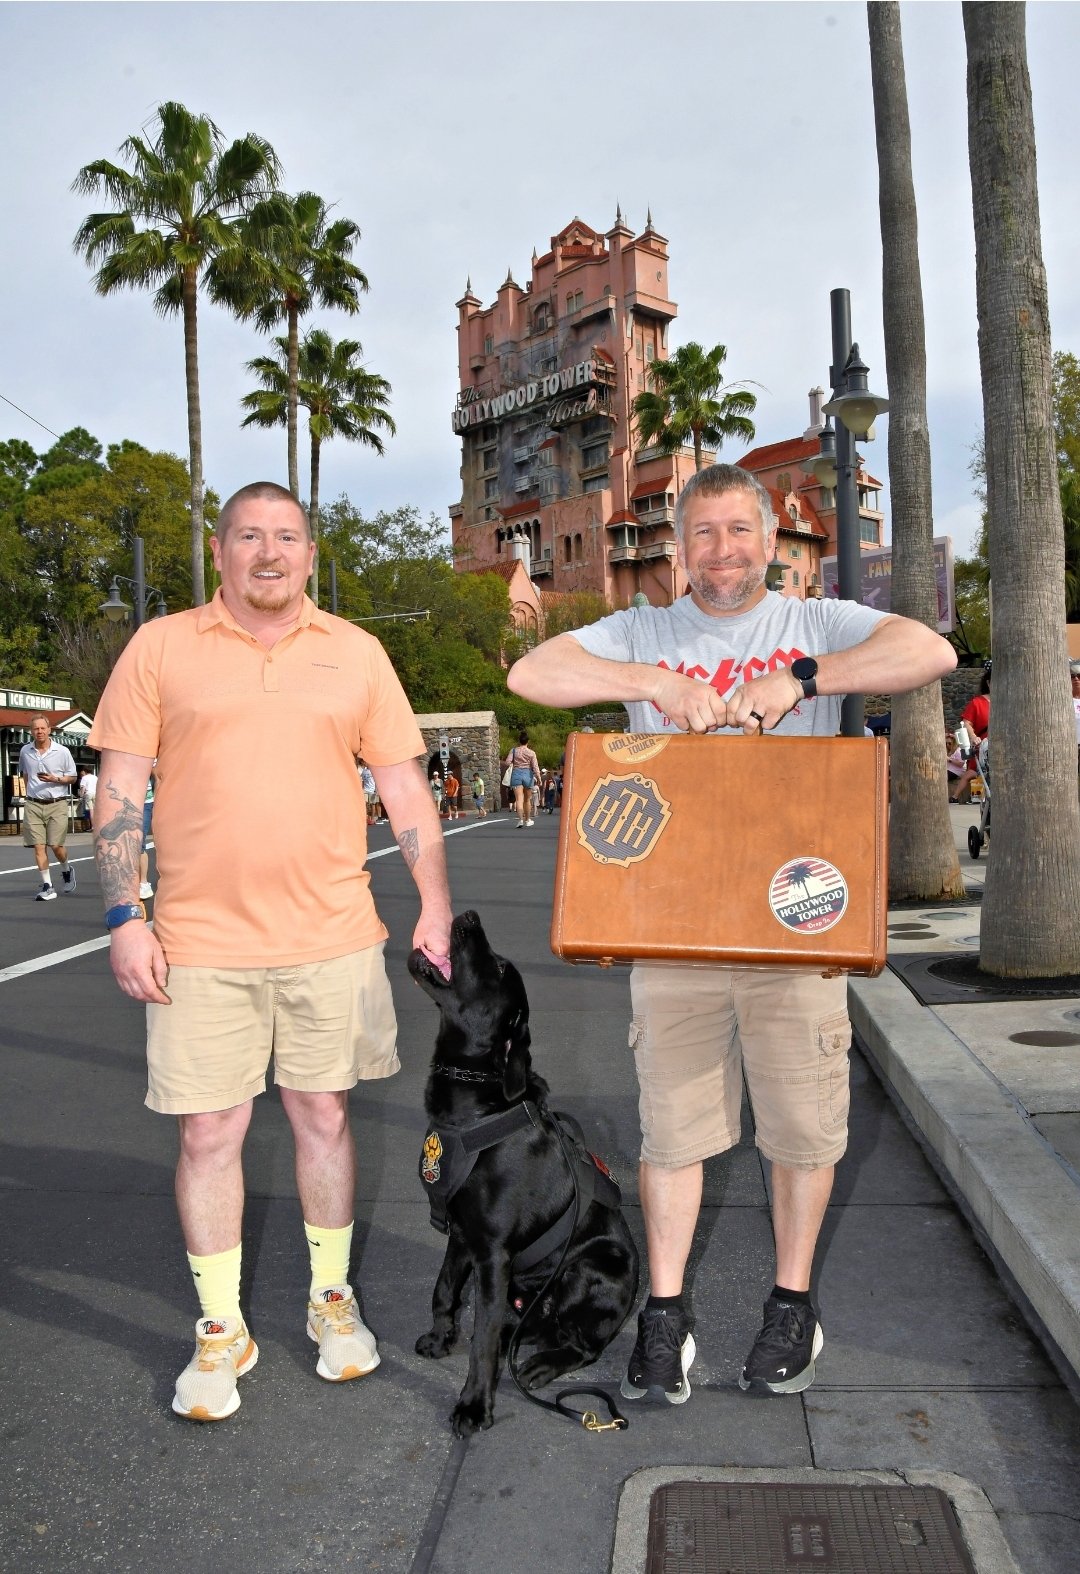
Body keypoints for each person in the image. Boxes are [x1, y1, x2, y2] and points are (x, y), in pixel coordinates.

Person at [508, 462, 956, 1406]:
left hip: (797, 919)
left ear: (770, 542)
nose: (722, 550)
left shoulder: (814, 620)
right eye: (702, 533)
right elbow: (531, 673)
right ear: (678, 547)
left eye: (739, 531)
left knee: (802, 1129)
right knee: (672, 1134)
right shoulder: (643, 630)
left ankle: (791, 1304)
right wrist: (652, 683)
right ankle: (665, 1315)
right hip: (674, 925)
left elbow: (928, 651)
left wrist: (801, 679)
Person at [88, 481, 452, 1424]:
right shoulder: (160, 647)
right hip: (199, 941)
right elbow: (120, 787)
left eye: (286, 536)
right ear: (220, 551)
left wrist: (435, 905)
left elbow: (404, 788)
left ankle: (332, 1299)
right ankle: (222, 1327)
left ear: (310, 554)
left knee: (324, 1117)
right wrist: (124, 914)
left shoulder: (357, 653)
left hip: (331, 935)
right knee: (208, 1132)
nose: (269, 552)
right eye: (249, 535)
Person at [18, 715, 78, 901]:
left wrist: (55, 779)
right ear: (31, 731)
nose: (39, 732)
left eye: (43, 728)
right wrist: (28, 794)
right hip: (33, 804)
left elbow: (73, 778)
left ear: (49, 729)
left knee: (56, 846)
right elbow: (25, 773)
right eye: (36, 729)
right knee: (38, 846)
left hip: (57, 804)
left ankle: (67, 870)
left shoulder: (62, 751)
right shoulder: (25, 751)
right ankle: (48, 886)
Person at [951, 667, 991, 801]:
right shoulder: (977, 703)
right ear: (988, 683)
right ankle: (958, 796)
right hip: (983, 747)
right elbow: (966, 722)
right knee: (974, 772)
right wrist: (974, 737)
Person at [504, 731, 540, 828]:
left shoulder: (514, 751)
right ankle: (527, 820)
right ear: (528, 741)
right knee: (527, 800)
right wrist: (539, 778)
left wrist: (514, 764)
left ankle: (520, 820)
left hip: (516, 774)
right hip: (528, 775)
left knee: (519, 799)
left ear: (519, 741)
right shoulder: (531, 753)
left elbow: (507, 762)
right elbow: (535, 767)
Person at [77, 765, 98, 832]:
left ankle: (93, 827)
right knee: (95, 811)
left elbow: (83, 788)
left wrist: (81, 796)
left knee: (91, 811)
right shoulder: (95, 777)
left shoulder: (84, 778)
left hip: (88, 794)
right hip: (95, 794)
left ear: (85, 771)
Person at [360, 761, 378, 826]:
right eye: (364, 763)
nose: (365, 763)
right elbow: (362, 781)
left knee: (372, 805)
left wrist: (376, 790)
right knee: (364, 805)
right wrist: (361, 789)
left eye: (366, 762)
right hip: (365, 790)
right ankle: (366, 818)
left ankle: (372, 819)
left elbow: (377, 781)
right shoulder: (364, 771)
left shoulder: (373, 771)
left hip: (372, 790)